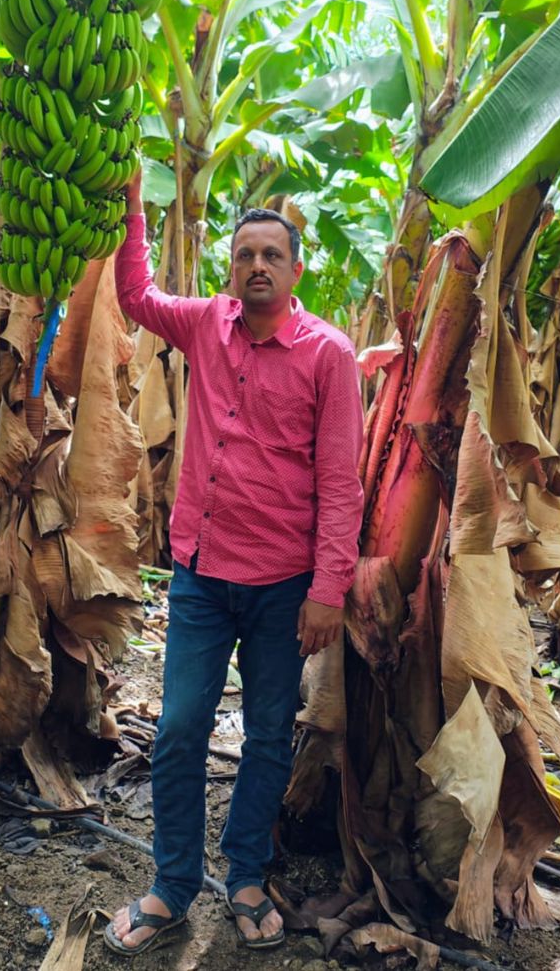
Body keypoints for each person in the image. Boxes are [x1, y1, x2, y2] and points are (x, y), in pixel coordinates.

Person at [103, 169, 363, 956]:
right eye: (244, 253)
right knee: (179, 728)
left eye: (271, 255)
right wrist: (133, 210)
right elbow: (137, 298)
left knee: (266, 738)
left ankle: (245, 877)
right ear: (231, 267)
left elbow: (339, 482)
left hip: (285, 587)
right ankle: (172, 886)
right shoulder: (205, 325)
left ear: (295, 269)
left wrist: (328, 590)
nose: (257, 266)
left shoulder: (328, 355)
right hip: (202, 578)